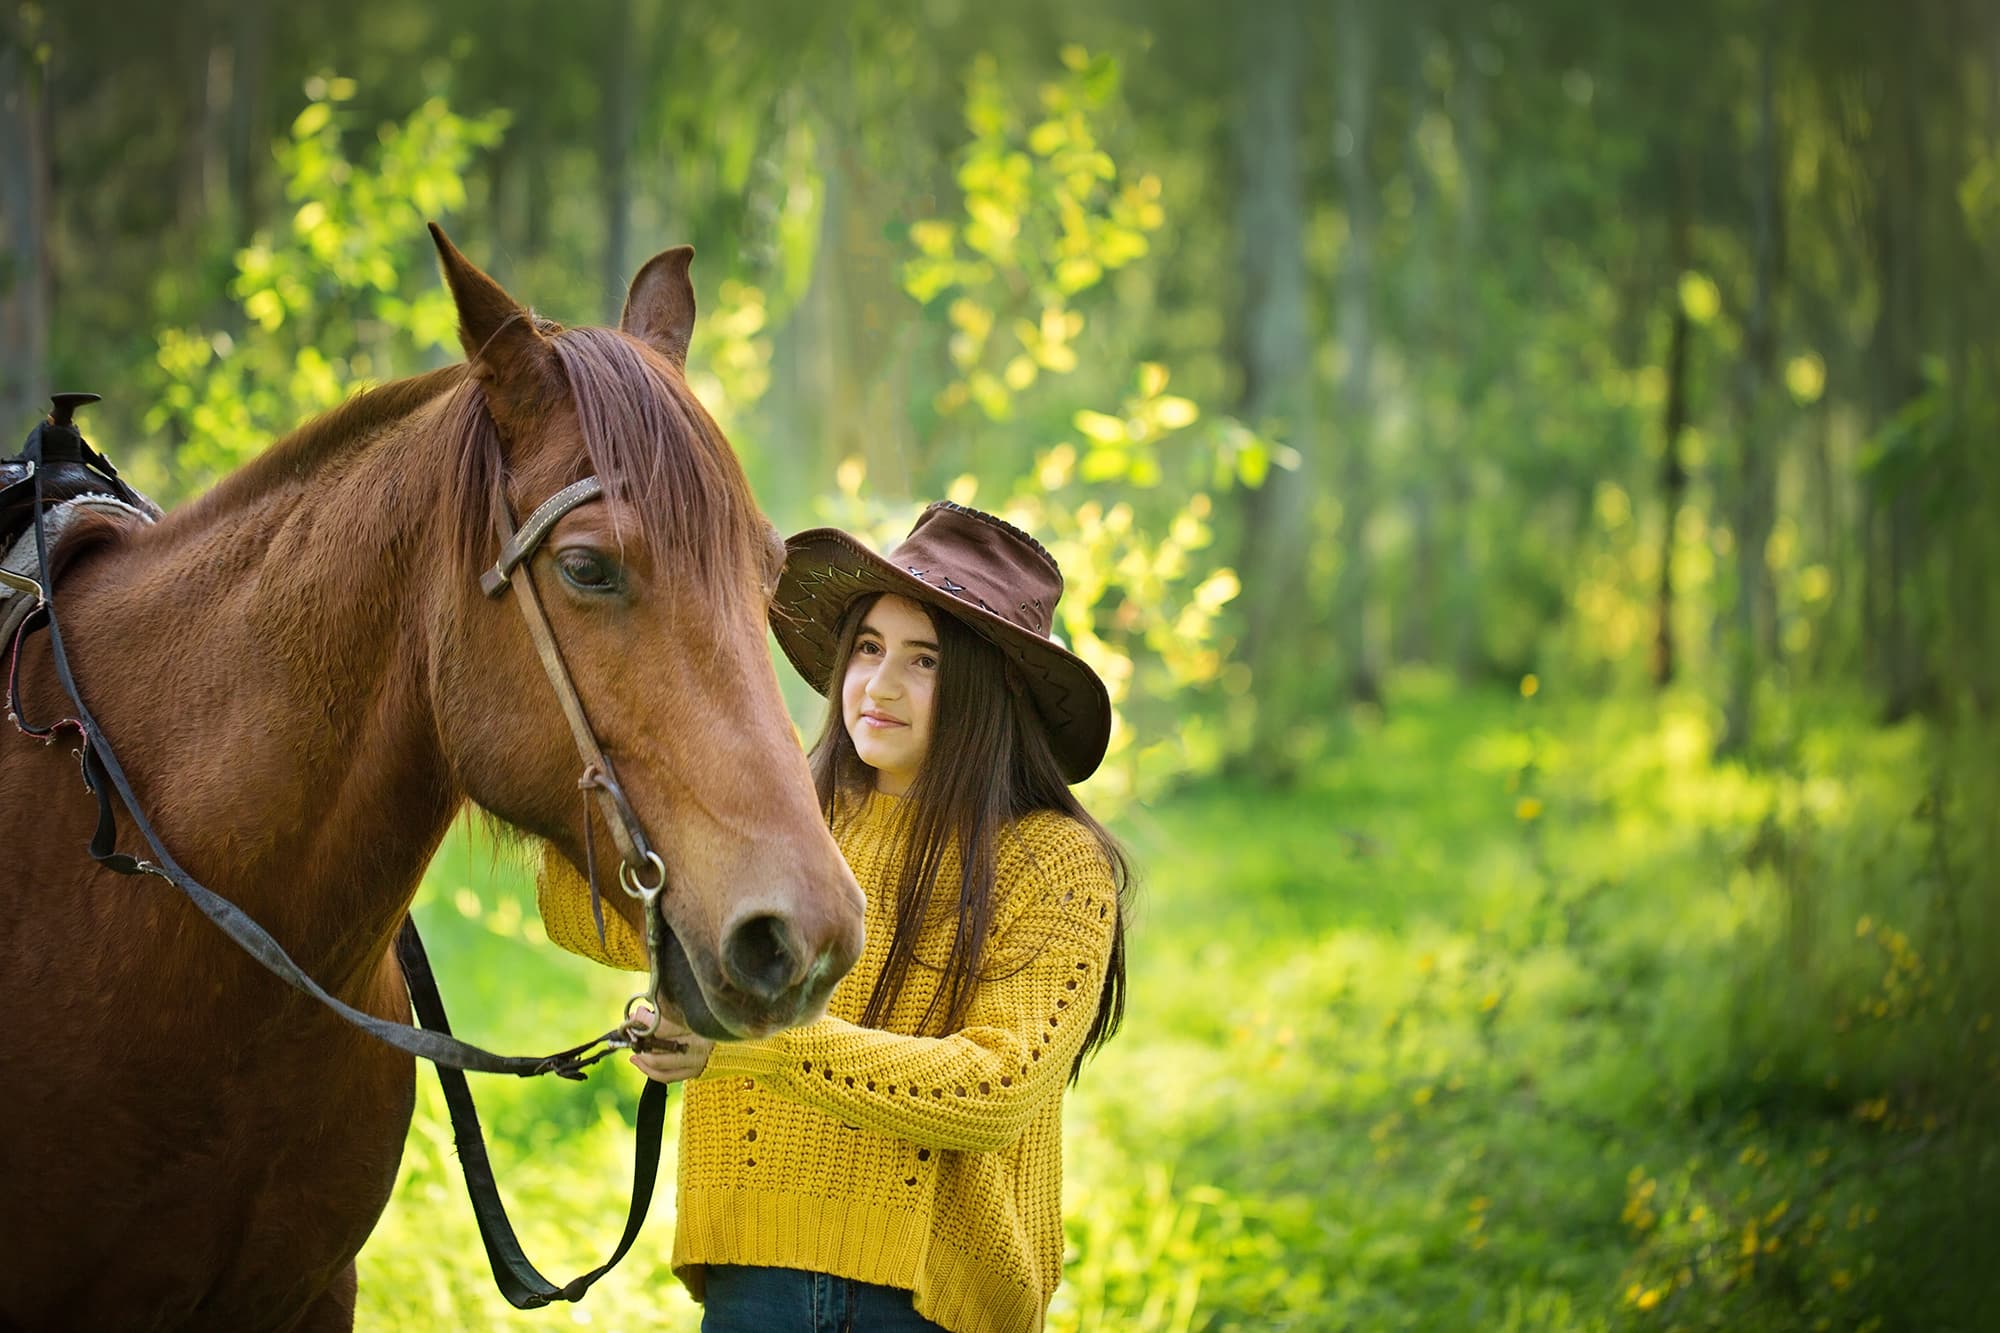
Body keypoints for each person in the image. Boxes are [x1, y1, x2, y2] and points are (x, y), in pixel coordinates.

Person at [536, 500, 1132, 1333]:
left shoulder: (1050, 860)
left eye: (924, 661)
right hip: (753, 1275)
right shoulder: (783, 821)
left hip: (931, 1299)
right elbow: (586, 914)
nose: (879, 685)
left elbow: (998, 1085)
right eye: (868, 648)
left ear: (991, 687)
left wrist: (754, 1042)